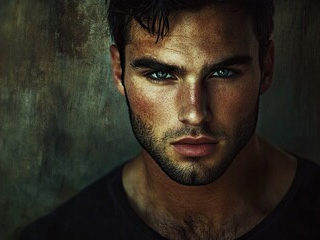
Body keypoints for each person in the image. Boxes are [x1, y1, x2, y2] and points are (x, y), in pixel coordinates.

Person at [19, 0, 320, 239]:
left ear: (266, 68)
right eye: (161, 74)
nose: (194, 113)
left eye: (223, 72)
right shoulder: (59, 234)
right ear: (118, 71)